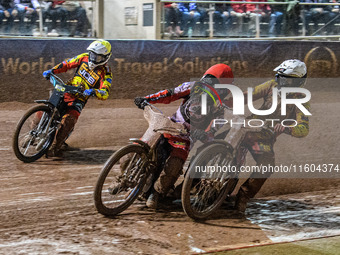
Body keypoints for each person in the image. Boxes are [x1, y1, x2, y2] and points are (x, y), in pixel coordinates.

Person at [134, 64, 235, 209]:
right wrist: (147, 99)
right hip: (169, 126)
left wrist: (205, 133)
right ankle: (127, 176)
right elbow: (169, 94)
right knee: (144, 146)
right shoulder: (192, 86)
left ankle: (156, 193)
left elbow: (215, 126)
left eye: (214, 81)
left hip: (186, 138)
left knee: (174, 166)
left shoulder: (220, 105)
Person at [228, 59, 310, 215]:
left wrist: (287, 128)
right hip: (246, 128)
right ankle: (188, 185)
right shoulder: (271, 85)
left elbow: (303, 128)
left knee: (267, 164)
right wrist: (227, 100)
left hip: (264, 137)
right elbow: (248, 95)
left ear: (297, 82)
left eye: (284, 79)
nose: (279, 81)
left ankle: (242, 198)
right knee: (216, 142)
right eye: (279, 77)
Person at [42, 39, 113, 157]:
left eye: (97, 57)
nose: (93, 58)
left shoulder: (106, 72)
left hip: (80, 98)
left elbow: (105, 92)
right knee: (45, 109)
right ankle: (34, 132)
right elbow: (67, 64)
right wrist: (52, 70)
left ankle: (56, 145)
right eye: (92, 54)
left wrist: (94, 91)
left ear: (105, 58)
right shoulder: (83, 57)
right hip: (67, 89)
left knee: (69, 119)